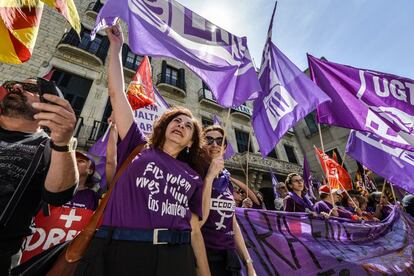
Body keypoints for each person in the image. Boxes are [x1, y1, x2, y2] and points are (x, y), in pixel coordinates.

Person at [75, 24, 210, 275]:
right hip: (119, 252)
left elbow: (195, 226)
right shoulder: (137, 146)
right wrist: (116, 49)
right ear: (164, 127)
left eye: (188, 126)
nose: (180, 125)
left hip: (174, 257)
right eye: (175, 121)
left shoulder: (193, 175)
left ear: (191, 141)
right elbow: (117, 96)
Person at [0, 79, 78, 274]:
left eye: (30, 88)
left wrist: (62, 142)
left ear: (50, 106)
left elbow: (58, 195)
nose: (16, 88)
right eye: (14, 86)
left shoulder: (51, 148)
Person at [201, 125, 255, 276]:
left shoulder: (226, 177)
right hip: (205, 253)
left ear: (224, 148)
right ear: (201, 143)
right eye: (209, 140)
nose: (214, 144)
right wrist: (209, 176)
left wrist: (248, 263)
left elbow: (232, 222)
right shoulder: (194, 172)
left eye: (219, 141)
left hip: (229, 256)